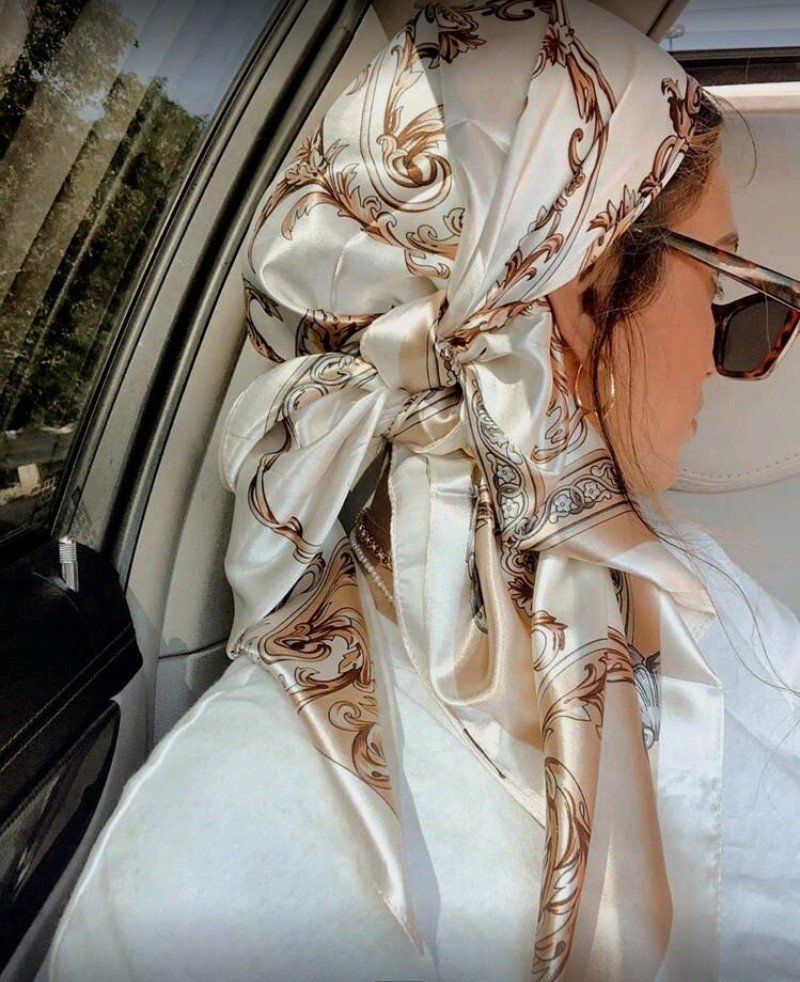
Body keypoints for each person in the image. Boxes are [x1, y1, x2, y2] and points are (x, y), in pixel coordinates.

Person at [41, 2, 800, 980]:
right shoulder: (208, 873)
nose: (732, 356)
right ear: (570, 293)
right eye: (725, 287)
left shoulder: (685, 575)